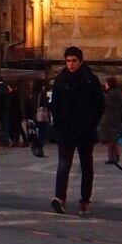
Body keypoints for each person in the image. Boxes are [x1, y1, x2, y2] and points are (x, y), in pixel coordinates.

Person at [49, 46, 104, 215]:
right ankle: (60, 198)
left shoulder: (90, 79)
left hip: (85, 131)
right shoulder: (61, 79)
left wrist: (91, 124)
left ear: (81, 61)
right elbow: (55, 104)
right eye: (68, 61)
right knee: (63, 165)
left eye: (74, 61)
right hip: (66, 130)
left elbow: (99, 104)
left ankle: (85, 200)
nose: (71, 64)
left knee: (86, 166)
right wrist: (58, 123)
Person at [99, 76, 122, 165]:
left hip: (109, 118)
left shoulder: (111, 94)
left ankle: (112, 156)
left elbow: (107, 105)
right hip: (115, 117)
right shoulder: (118, 92)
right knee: (113, 137)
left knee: (109, 138)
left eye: (106, 83)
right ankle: (115, 155)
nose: (105, 85)